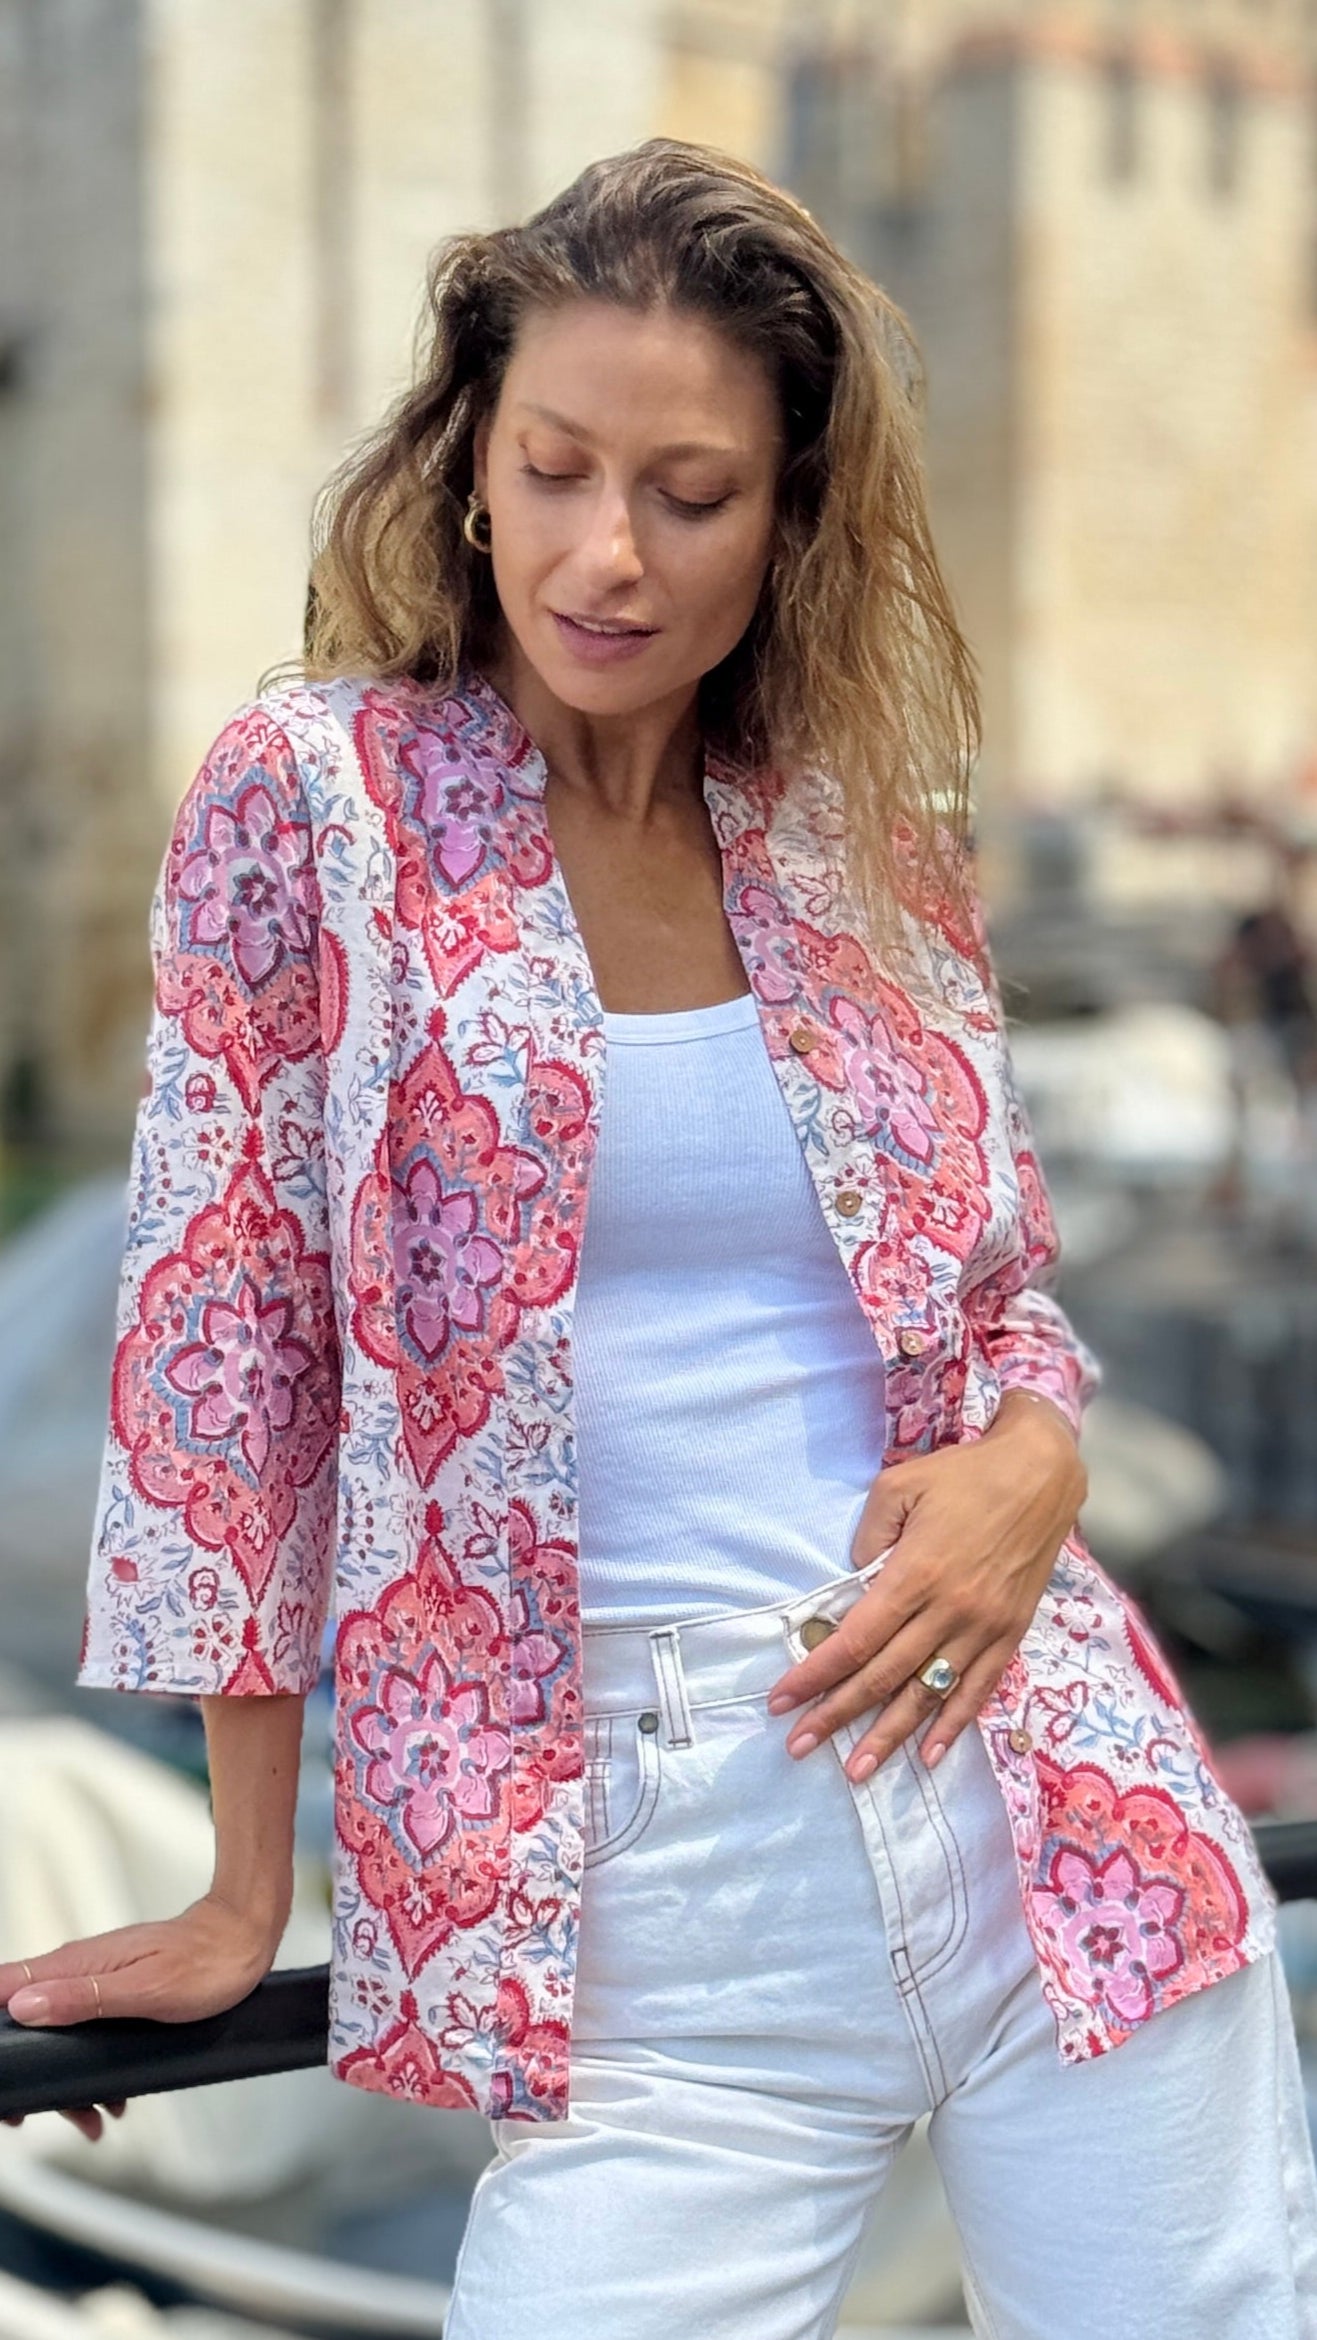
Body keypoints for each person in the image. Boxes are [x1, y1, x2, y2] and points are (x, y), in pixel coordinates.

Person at [3, 141, 1314, 2337]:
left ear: (788, 516)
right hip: (639, 1898)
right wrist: (242, 1890)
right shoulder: (315, 800)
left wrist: (1034, 1468)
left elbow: (997, 1306)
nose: (603, 554)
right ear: (468, 463)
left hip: (1052, 1804)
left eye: (690, 495)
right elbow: (227, 1352)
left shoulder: (850, 826)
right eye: (553, 469)